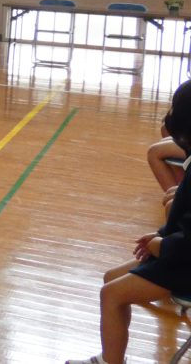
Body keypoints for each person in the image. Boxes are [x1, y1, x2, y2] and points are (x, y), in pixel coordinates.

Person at [66, 80, 191, 364]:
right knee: (111, 278)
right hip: (177, 255)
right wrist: (160, 236)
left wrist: (160, 245)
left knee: (111, 294)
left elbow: (187, 243)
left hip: (184, 267)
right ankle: (111, 357)